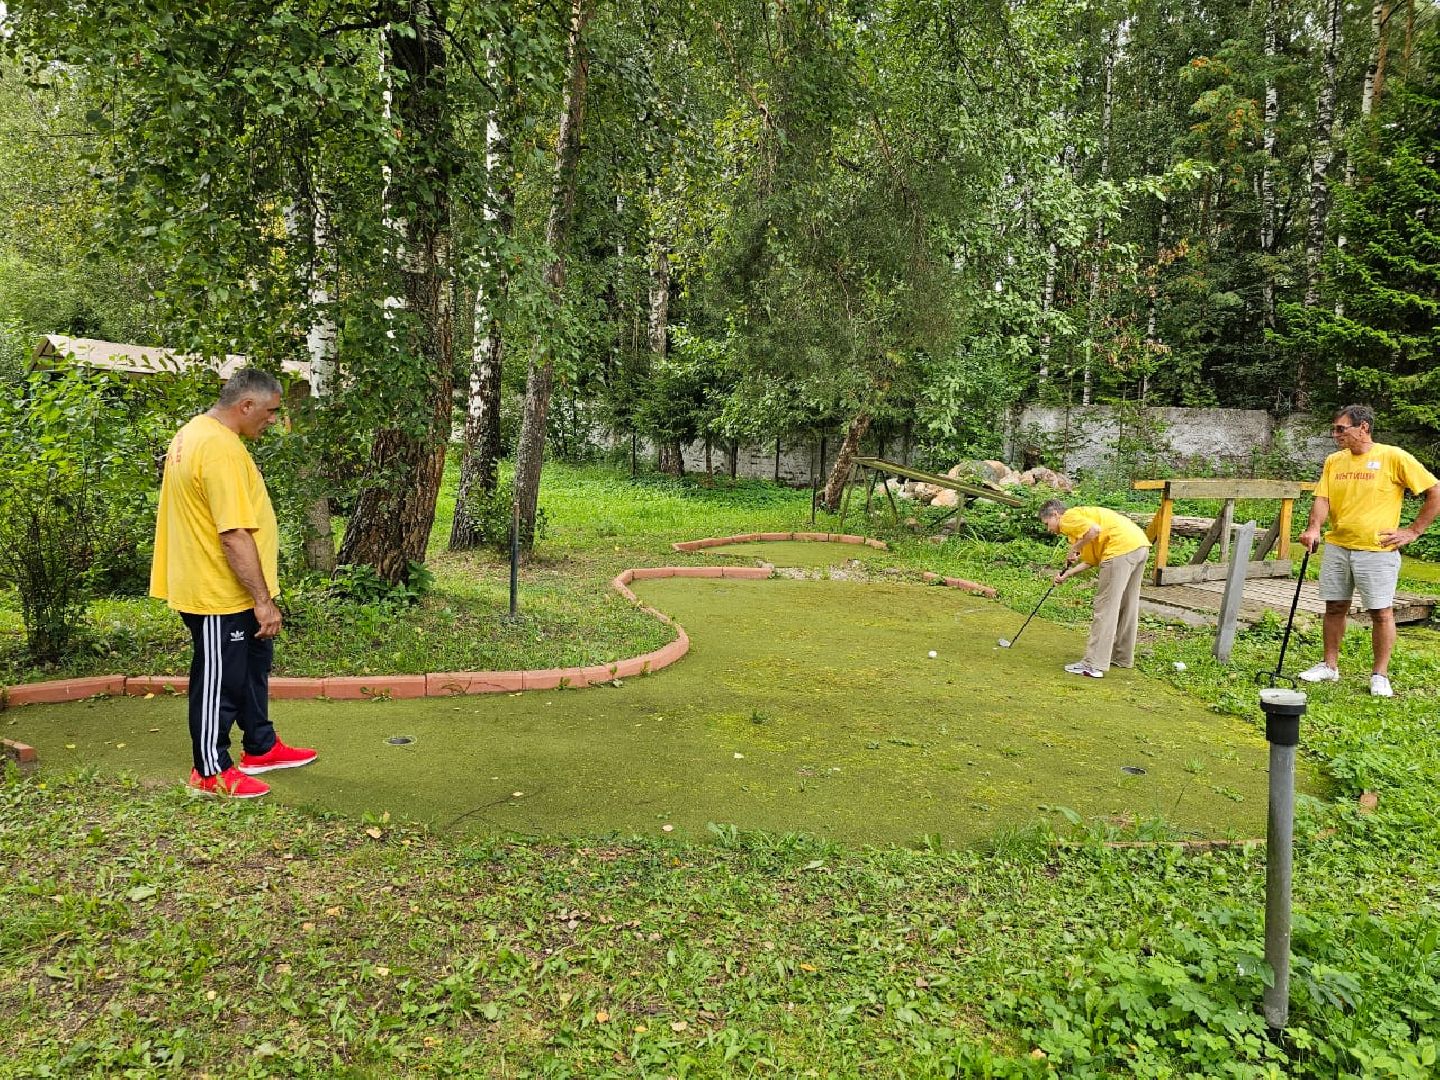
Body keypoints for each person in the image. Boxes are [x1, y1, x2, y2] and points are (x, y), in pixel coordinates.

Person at [150, 368, 317, 797]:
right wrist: (263, 600)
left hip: (231, 587)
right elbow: (233, 533)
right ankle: (209, 770)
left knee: (252, 668)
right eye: (271, 412)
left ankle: (260, 746)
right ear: (246, 406)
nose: (274, 420)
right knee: (220, 677)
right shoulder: (219, 449)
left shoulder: (196, 433)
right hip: (216, 592)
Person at [1296, 405, 1439, 697]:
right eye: (1334, 429)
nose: (1336, 435)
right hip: (1338, 545)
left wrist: (1413, 531)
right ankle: (1329, 666)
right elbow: (1323, 498)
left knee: (1381, 612)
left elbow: (1435, 490)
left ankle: (1379, 675)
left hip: (1377, 549)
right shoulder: (1334, 461)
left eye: (1341, 429)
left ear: (1363, 428)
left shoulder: (1393, 456)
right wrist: (1313, 528)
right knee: (1334, 606)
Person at [1038, 500, 1152, 679]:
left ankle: (1093, 664)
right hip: (1139, 546)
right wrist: (1068, 574)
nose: (1049, 529)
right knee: (1127, 605)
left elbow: (1094, 530)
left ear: (1055, 515)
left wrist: (1074, 548)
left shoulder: (1068, 518)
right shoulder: (1081, 526)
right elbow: (1092, 560)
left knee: (1105, 607)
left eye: (1047, 524)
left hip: (1119, 549)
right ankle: (1122, 657)